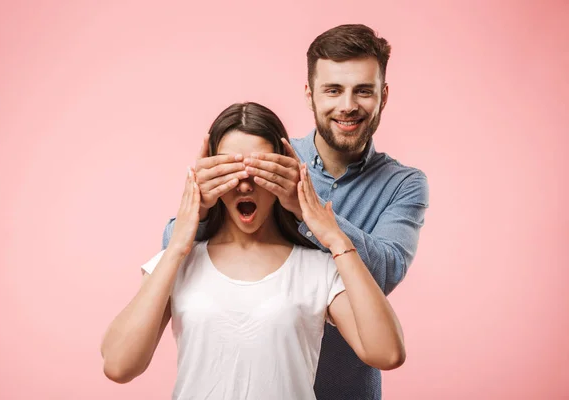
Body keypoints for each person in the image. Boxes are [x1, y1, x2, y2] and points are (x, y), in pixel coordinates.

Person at [160, 24, 429, 399]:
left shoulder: (404, 184)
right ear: (310, 95)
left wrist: (312, 216)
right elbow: (178, 252)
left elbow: (383, 276)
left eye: (363, 90)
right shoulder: (270, 157)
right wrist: (201, 208)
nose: (347, 105)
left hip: (346, 388)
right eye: (333, 89)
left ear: (383, 96)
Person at [101, 102, 405, 399]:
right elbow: (118, 366)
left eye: (260, 168)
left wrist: (336, 239)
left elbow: (387, 353)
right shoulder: (179, 263)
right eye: (229, 169)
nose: (245, 186)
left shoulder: (318, 268)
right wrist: (179, 243)